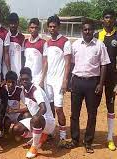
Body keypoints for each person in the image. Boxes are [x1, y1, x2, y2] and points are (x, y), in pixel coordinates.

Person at [69, 20, 110, 153]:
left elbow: (104, 65)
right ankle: (75, 140)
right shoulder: (75, 45)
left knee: (92, 114)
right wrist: (70, 81)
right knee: (75, 114)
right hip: (77, 82)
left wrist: (101, 83)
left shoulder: (100, 45)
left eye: (90, 30)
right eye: (85, 30)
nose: (87, 32)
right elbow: (72, 64)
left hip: (93, 84)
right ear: (82, 30)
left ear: (94, 30)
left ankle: (88, 142)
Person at [41, 15, 71, 147]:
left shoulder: (65, 42)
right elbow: (46, 62)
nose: (52, 29)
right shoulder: (47, 43)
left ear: (59, 27)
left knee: (59, 109)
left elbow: (68, 63)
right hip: (48, 81)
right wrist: (42, 79)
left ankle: (63, 137)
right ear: (48, 27)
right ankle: (51, 131)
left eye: (55, 26)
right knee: (50, 108)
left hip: (59, 81)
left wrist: (65, 81)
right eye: (50, 26)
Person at [13, 67, 55, 158]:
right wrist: (15, 111)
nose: (24, 81)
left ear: (31, 78)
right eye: (22, 79)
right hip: (37, 121)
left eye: (27, 79)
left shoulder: (36, 90)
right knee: (16, 129)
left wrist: (33, 120)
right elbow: (29, 107)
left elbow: (43, 108)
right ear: (20, 79)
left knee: (35, 119)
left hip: (48, 121)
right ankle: (40, 136)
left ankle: (34, 147)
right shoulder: (24, 90)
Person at [94, 9, 117, 151]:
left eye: (111, 17)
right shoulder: (97, 35)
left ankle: (109, 138)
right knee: (93, 106)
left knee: (110, 107)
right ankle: (91, 135)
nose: (108, 20)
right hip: (97, 78)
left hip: (112, 79)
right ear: (102, 19)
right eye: (106, 17)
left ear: (114, 20)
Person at [24, 18, 46, 85]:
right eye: (32, 27)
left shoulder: (43, 43)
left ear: (38, 29)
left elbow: (45, 63)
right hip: (26, 78)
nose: (34, 30)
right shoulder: (25, 42)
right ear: (29, 28)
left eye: (36, 28)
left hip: (37, 79)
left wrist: (42, 79)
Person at [3, 71, 25, 135]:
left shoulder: (19, 90)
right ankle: (6, 132)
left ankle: (19, 132)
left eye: (13, 82)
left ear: (16, 82)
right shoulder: (3, 89)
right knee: (6, 122)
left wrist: (15, 110)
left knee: (26, 115)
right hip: (6, 115)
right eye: (9, 82)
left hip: (16, 115)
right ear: (6, 82)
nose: (11, 84)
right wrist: (5, 107)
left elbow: (28, 107)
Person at [4, 12, 25, 77]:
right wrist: (9, 71)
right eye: (11, 23)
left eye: (15, 23)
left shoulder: (22, 37)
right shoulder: (5, 35)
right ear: (8, 24)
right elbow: (4, 54)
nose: (13, 25)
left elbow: (22, 56)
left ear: (18, 23)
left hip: (17, 72)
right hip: (6, 71)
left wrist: (22, 70)